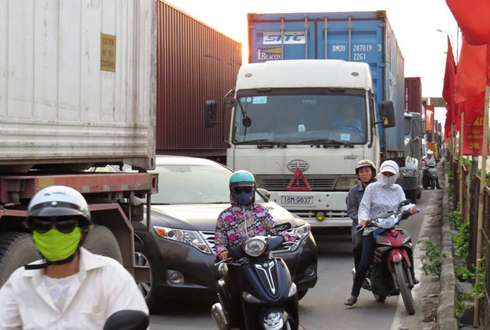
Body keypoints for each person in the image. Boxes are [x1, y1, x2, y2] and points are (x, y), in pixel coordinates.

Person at [0, 185, 148, 329]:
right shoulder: (19, 283)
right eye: (42, 225)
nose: (53, 233)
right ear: (33, 231)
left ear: (83, 231)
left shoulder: (112, 276)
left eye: (65, 225)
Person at [214, 170, 295, 330]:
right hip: (238, 265)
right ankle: (236, 325)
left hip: (264, 262)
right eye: (238, 190)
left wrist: (286, 236)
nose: (243, 193)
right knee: (237, 296)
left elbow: (275, 229)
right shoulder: (225, 216)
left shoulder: (261, 212)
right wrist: (223, 251)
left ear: (253, 190)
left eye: (247, 190)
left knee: (287, 289)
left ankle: (293, 320)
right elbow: (219, 242)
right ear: (232, 192)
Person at [344, 161, 418, 306]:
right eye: (386, 174)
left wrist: (411, 208)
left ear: (396, 174)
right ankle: (354, 294)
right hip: (372, 229)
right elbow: (364, 207)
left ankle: (411, 277)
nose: (388, 176)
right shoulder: (372, 188)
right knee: (364, 262)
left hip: (391, 228)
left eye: (391, 174)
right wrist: (364, 220)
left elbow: (404, 204)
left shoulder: (397, 189)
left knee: (408, 245)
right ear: (381, 173)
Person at [346, 159, 376, 271]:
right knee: (358, 246)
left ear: (372, 172)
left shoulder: (379, 188)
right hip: (361, 226)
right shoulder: (353, 191)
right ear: (358, 175)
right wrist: (363, 220)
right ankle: (359, 273)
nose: (364, 174)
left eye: (367, 171)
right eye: (361, 172)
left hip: (380, 223)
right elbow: (351, 210)